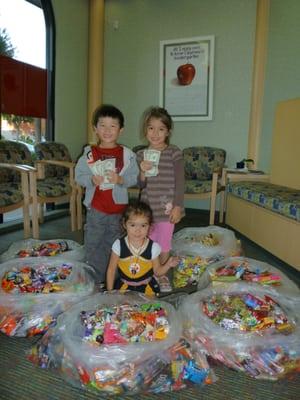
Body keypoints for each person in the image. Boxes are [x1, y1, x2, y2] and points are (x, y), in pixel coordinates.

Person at [75, 104, 139, 285]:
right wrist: (91, 180)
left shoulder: (127, 155)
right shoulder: (89, 154)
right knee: (94, 243)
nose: (107, 130)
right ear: (95, 128)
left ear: (121, 130)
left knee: (116, 245)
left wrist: (120, 180)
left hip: (119, 211)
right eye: (102, 125)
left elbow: (133, 177)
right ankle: (94, 279)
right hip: (96, 209)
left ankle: (114, 279)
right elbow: (78, 175)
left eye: (113, 126)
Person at [136, 106, 185, 292]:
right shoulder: (141, 154)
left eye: (161, 129)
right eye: (151, 128)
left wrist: (178, 206)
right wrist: (142, 171)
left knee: (164, 243)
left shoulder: (174, 152)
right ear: (145, 130)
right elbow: (140, 185)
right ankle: (149, 272)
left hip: (167, 208)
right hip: (147, 208)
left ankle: (162, 275)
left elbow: (180, 182)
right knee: (147, 241)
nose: (155, 133)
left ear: (168, 131)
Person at [106, 200, 179, 296]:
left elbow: (157, 272)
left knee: (149, 310)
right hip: (123, 288)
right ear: (124, 224)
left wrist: (168, 265)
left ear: (149, 226)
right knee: (122, 309)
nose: (138, 230)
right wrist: (110, 292)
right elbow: (111, 270)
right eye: (133, 225)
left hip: (146, 288)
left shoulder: (153, 247)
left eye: (143, 225)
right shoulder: (118, 245)